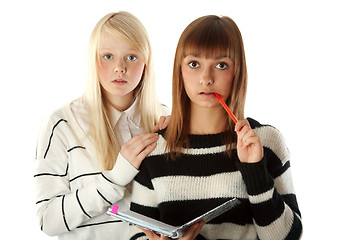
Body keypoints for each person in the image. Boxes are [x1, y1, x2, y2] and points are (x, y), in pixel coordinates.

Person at [128, 15, 303, 240]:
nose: (206, 78)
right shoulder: (155, 148)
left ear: (237, 71)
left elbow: (288, 237)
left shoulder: (266, 141)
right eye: (194, 64)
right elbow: (137, 233)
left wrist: (256, 170)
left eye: (221, 65)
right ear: (179, 71)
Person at [34, 11, 169, 239]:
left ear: (146, 64)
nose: (120, 68)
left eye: (132, 57)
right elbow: (48, 220)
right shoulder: (62, 124)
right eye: (108, 56)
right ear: (92, 60)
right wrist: (114, 179)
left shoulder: (164, 118)